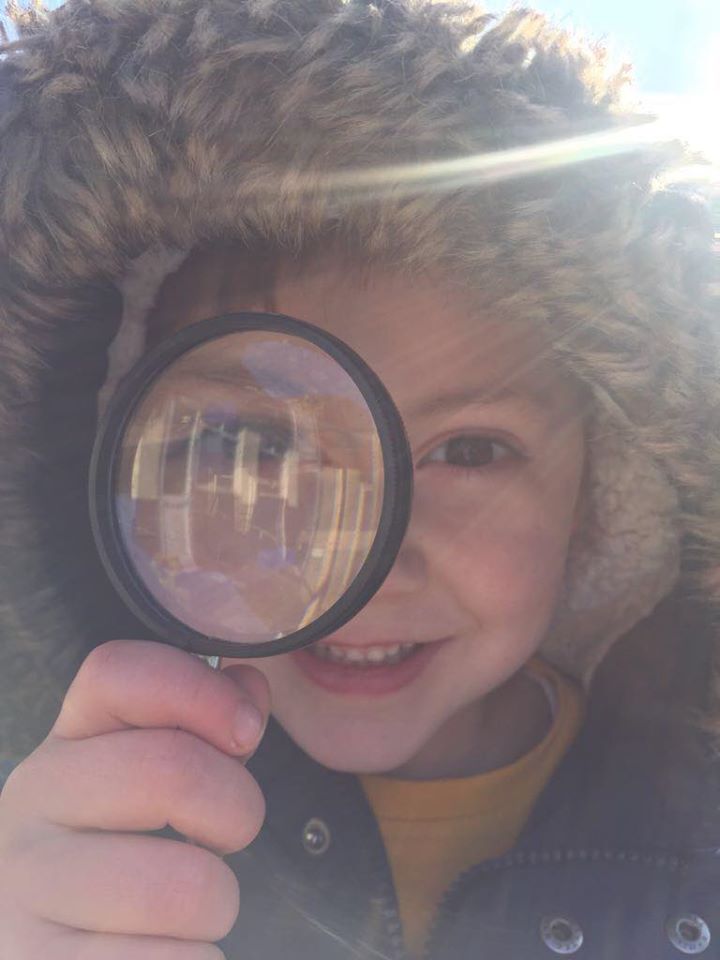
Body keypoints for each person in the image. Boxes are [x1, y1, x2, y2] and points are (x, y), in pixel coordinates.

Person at [0, 0, 718, 957]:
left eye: (469, 451)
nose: (361, 565)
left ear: (602, 502)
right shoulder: (58, 809)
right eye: (242, 444)